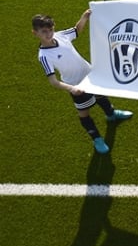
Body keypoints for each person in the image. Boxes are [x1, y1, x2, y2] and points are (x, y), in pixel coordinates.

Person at [34, 10, 132, 154]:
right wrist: (71, 88)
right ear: (35, 33)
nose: (49, 34)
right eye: (44, 31)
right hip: (75, 85)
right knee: (84, 112)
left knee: (100, 95)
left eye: (51, 29)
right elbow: (53, 81)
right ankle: (97, 139)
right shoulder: (44, 56)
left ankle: (111, 115)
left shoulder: (60, 36)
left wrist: (84, 17)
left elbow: (77, 30)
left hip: (90, 74)